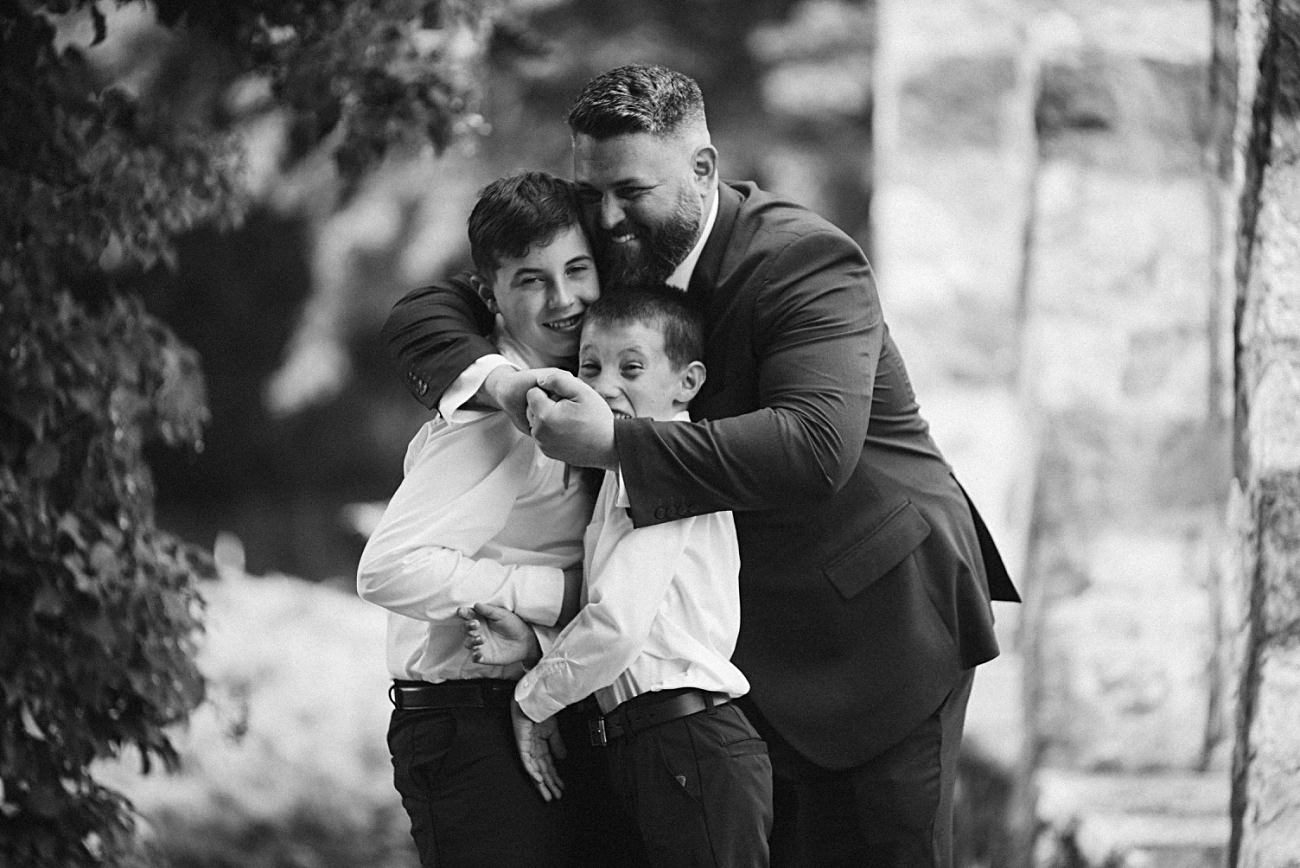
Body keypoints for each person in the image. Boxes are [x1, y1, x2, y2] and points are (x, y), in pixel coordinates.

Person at [382, 65, 1020, 867]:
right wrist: (507, 386)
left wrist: (613, 443)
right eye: (592, 194)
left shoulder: (805, 260)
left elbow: (812, 447)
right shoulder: (609, 253)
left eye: (631, 192)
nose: (608, 217)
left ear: (704, 171)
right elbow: (426, 314)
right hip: (719, 666)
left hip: (873, 629)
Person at [461, 286, 773, 867]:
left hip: (689, 747)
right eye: (589, 366)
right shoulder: (620, 471)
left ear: (688, 381)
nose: (604, 386)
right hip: (648, 745)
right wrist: (540, 644)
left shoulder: (669, 461)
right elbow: (639, 623)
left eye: (631, 367)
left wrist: (532, 701)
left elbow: (619, 626)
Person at [357, 170, 607, 867]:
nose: (564, 300)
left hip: (517, 702)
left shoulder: (578, 391)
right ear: (488, 292)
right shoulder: (494, 420)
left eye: (578, 270)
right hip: (469, 723)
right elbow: (387, 570)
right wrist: (557, 593)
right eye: (532, 280)